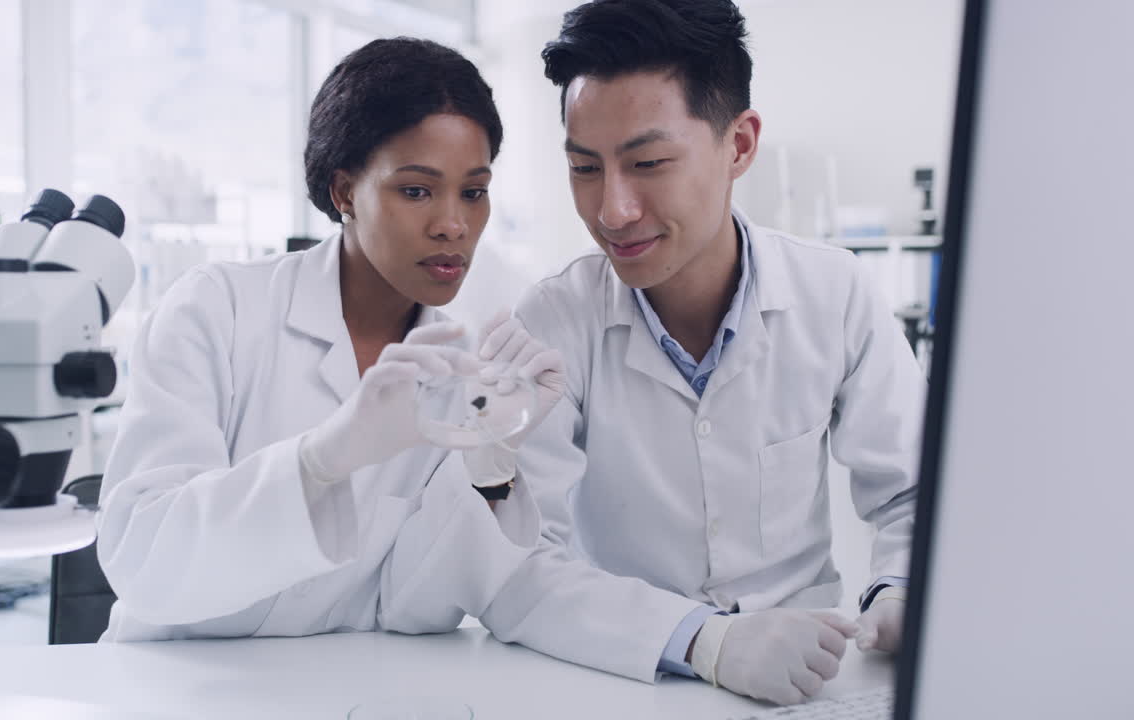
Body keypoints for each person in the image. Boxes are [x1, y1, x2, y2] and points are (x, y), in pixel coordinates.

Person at [472, 0, 926, 706]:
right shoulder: (552, 322)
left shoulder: (833, 292)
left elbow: (912, 492)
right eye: (584, 168)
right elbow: (520, 565)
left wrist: (900, 589)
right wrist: (701, 640)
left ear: (739, 145)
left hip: (814, 672)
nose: (612, 210)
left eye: (648, 162)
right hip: (624, 673)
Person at [95, 37, 562, 642]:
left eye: (473, 191)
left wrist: (491, 465)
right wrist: (319, 463)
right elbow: (145, 558)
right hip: (175, 684)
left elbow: (410, 606)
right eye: (417, 190)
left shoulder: (464, 363)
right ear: (345, 193)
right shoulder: (215, 310)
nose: (453, 223)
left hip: (339, 687)